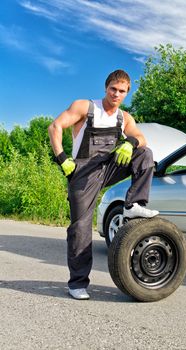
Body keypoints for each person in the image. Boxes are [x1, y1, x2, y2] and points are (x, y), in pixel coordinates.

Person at [48, 69, 159, 300]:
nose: (116, 94)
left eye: (122, 91)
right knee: (80, 228)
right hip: (83, 174)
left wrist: (129, 142)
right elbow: (55, 126)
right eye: (113, 89)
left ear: (126, 93)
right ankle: (77, 283)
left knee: (144, 153)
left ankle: (133, 204)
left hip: (108, 168)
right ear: (106, 88)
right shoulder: (85, 107)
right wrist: (62, 158)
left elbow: (141, 137)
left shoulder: (124, 118)